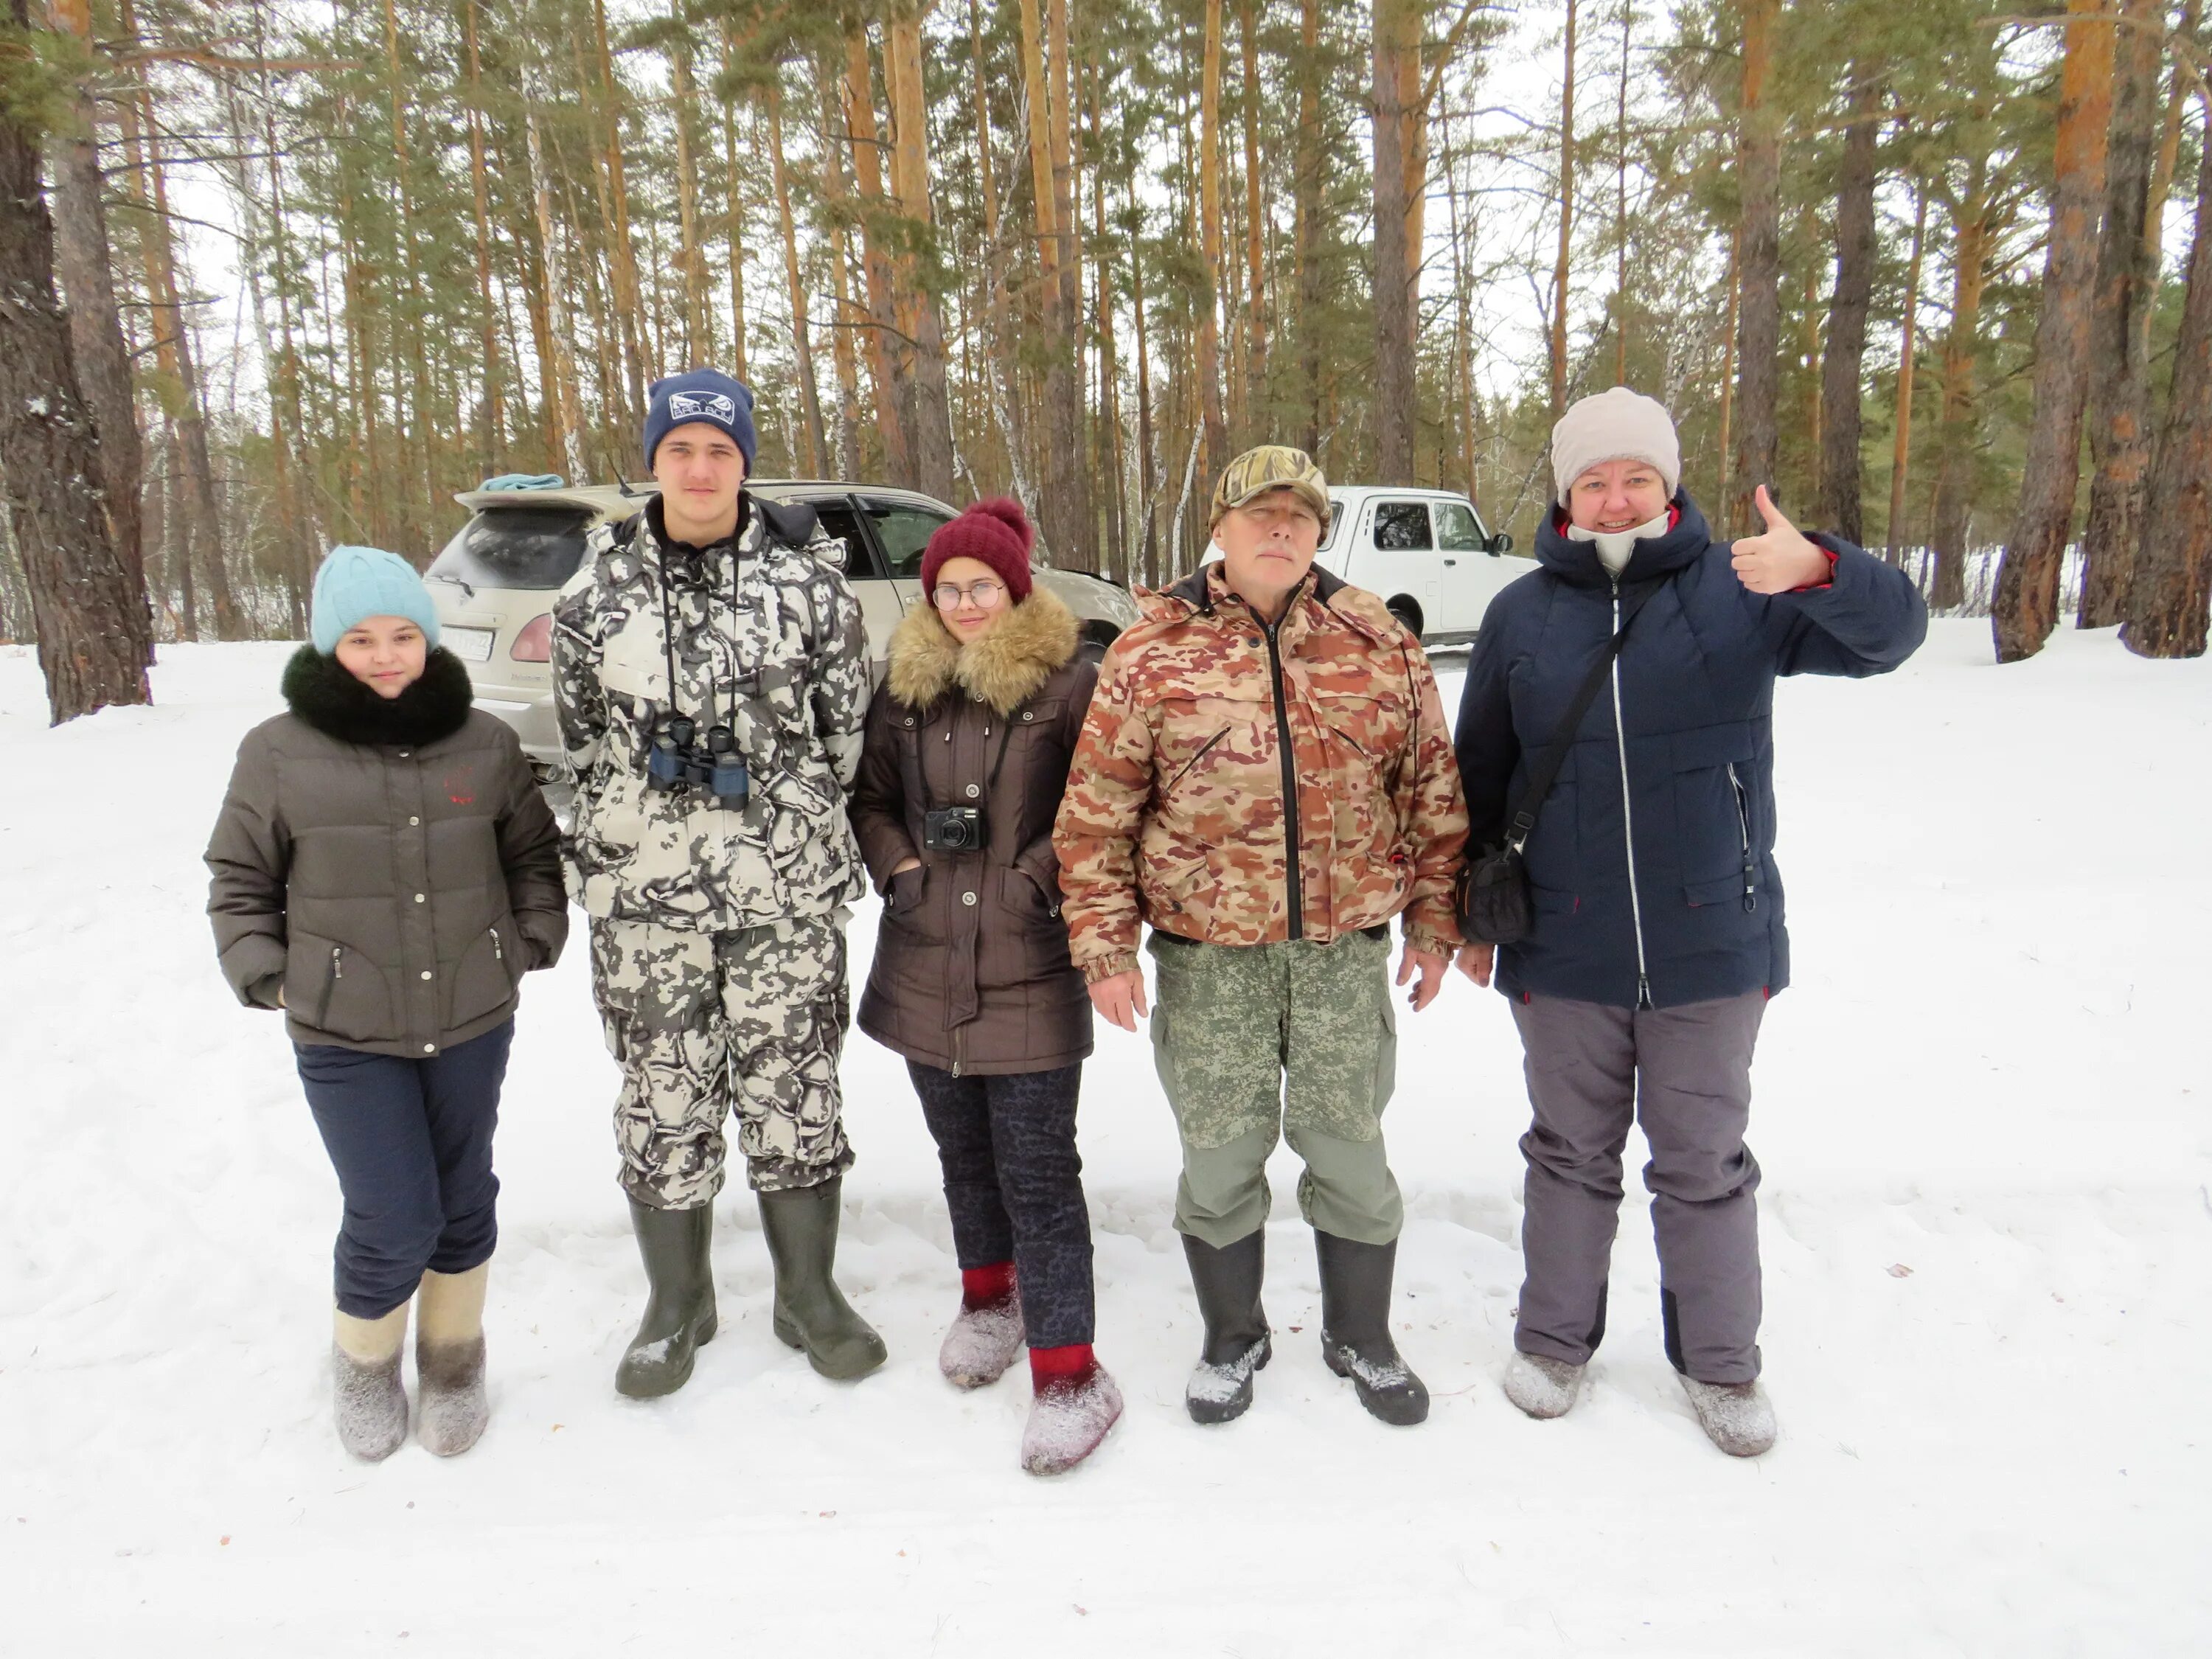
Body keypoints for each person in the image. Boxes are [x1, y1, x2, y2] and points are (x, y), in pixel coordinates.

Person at [1454, 386, 1927, 1456]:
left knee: (1702, 1160)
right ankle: (1555, 1342)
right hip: (1562, 943)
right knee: (1568, 1151)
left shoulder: (1741, 588)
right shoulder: (1522, 614)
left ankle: (1720, 1363)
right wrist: (1468, 914)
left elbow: (1893, 637)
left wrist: (1823, 570)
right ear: (1566, 494)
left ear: (1668, 484)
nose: (1616, 497)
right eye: (1594, 479)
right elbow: (1480, 774)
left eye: (1637, 477)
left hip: (1713, 936)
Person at [1054, 445, 1470, 1427]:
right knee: (1220, 1155)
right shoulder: (1152, 647)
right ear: (1223, 524)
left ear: (1321, 529)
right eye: (1259, 513)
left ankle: (1360, 1335)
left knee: (1352, 1150)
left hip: (1340, 957)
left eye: (1300, 515)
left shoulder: (1376, 637)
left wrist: (1436, 920)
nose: (1280, 530)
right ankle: (1232, 1335)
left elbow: (1432, 790)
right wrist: (1105, 950)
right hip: (1209, 963)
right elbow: (1097, 811)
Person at [551, 368, 885, 1397]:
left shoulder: (810, 587)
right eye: (681, 449)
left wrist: (779, 822)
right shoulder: (594, 592)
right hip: (647, 899)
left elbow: (845, 735)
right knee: (662, 1092)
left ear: (745, 462)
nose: (701, 468)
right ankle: (676, 1300)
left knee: (796, 1086)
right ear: (654, 460)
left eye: (721, 450)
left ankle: (806, 1293)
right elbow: (584, 738)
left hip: (784, 891)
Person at [206, 546, 568, 1461]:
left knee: (464, 1197)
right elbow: (239, 880)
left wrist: (525, 945)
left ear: (428, 639)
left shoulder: (484, 744)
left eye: (404, 635)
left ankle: (453, 1360)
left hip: (471, 1016)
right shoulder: (278, 752)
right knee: (390, 1210)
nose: (385, 655)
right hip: (345, 1029)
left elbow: (533, 860)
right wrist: (275, 975)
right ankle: (364, 1363)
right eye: (362, 639)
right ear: (331, 646)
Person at [849, 498, 1120, 1475]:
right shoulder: (904, 686)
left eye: (984, 585)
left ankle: (1072, 1373)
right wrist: (902, 868)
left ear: (1017, 589)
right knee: (963, 1155)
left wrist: (1034, 876)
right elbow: (871, 800)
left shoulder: (1070, 680)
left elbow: (1104, 801)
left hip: (1029, 956)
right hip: (925, 956)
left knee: (1040, 1172)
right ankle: (988, 1297)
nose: (966, 601)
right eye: (950, 586)